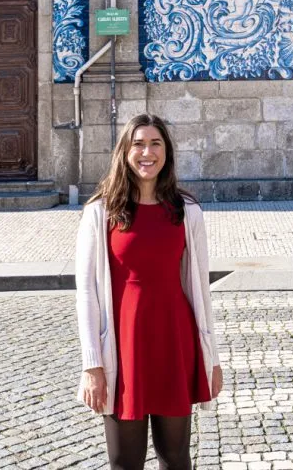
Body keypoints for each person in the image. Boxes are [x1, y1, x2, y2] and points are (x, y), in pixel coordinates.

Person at [75, 113, 223, 470]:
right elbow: (86, 294)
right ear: (125, 152)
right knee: (125, 461)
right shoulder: (100, 213)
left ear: (167, 153)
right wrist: (92, 364)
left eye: (155, 143)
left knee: (175, 458)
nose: (147, 152)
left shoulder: (187, 212)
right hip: (123, 349)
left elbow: (200, 290)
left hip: (174, 342)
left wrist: (211, 359)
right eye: (138, 143)